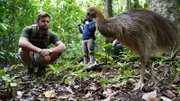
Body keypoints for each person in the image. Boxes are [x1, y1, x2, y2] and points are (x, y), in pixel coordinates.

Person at [18, 12, 66, 80]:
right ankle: (30, 70)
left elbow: (63, 46)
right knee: (23, 49)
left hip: (41, 56)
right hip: (30, 54)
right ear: (37, 21)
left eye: (47, 21)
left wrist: (49, 51)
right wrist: (38, 50)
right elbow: (21, 43)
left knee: (58, 51)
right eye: (43, 21)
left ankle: (41, 69)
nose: (45, 23)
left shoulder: (51, 35)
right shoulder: (29, 29)